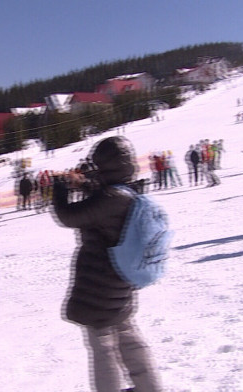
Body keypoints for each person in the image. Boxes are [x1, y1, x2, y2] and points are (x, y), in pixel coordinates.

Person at [52, 136, 161, 392]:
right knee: (128, 338)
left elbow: (68, 216)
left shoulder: (110, 199)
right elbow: (105, 197)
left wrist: (59, 189)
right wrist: (85, 183)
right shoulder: (128, 192)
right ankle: (150, 387)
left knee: (102, 347)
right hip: (120, 281)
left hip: (98, 286)